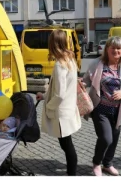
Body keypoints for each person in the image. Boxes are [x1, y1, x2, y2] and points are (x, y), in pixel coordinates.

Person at [86, 35, 121, 176]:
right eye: (113, 48)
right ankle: (96, 163)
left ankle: (107, 164)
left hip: (118, 110)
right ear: (107, 49)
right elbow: (86, 81)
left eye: (119, 48)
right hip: (100, 109)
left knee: (114, 140)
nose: (116, 51)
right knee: (106, 138)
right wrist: (80, 84)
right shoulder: (97, 64)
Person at [41, 28, 82, 176]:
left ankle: (72, 175)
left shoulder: (60, 65)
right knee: (67, 145)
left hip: (61, 112)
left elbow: (59, 94)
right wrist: (45, 96)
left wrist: (48, 106)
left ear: (53, 44)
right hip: (68, 109)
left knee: (67, 146)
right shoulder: (70, 60)